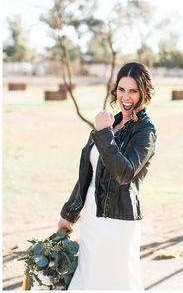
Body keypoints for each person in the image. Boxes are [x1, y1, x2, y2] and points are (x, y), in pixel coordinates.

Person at [58, 62, 157, 290]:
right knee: (86, 283)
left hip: (118, 223)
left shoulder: (145, 130)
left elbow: (124, 173)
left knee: (117, 285)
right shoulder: (111, 122)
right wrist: (69, 214)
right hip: (92, 219)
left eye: (133, 90)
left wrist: (103, 134)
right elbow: (86, 174)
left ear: (144, 93)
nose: (126, 96)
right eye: (122, 89)